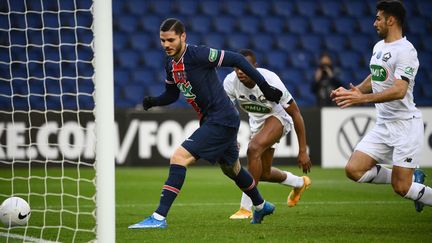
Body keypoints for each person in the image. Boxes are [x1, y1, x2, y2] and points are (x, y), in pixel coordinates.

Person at [128, 18, 284, 229]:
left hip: (222, 118)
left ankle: (158, 217)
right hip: (214, 120)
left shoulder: (198, 54)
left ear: (183, 37)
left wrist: (265, 88)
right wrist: (155, 101)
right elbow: (172, 95)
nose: (166, 45)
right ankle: (260, 205)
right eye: (163, 41)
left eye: (171, 40)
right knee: (232, 170)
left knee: (179, 157)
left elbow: (237, 58)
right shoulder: (170, 64)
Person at [331, 0, 431, 212]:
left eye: (378, 18)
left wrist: (362, 100)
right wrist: (356, 91)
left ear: (391, 20)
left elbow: (399, 90)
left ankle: (413, 184)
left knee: (401, 187)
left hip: (405, 126)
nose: (374, 23)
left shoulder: (406, 51)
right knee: (353, 170)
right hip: (384, 125)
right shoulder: (379, 47)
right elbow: (376, 75)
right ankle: (413, 177)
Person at [223, 49, 312, 219]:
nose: (240, 71)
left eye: (245, 67)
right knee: (264, 173)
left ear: (255, 67)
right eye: (236, 67)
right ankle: (299, 183)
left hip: (279, 117)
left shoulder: (271, 81)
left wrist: (302, 150)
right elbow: (226, 112)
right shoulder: (230, 82)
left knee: (253, 149)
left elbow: (296, 113)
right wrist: (231, 138)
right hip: (256, 121)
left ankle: (246, 208)